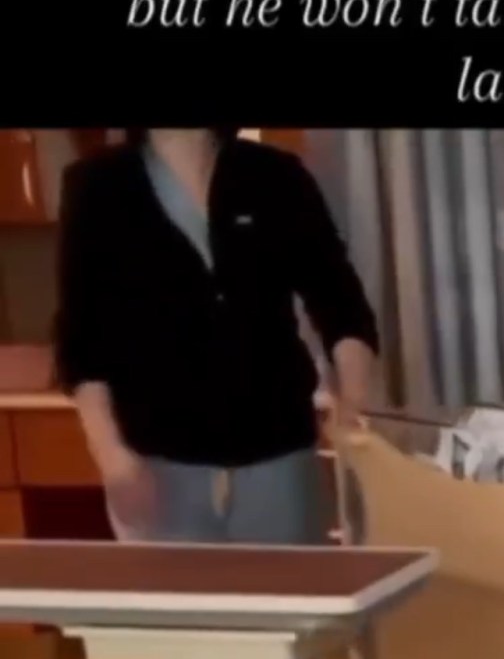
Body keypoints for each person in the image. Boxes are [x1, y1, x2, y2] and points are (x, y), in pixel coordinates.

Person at [54, 128, 379, 545]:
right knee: (176, 589)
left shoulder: (275, 176)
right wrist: (112, 456)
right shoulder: (98, 186)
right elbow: (81, 339)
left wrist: (353, 403)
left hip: (279, 457)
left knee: (291, 585)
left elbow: (341, 304)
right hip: (158, 468)